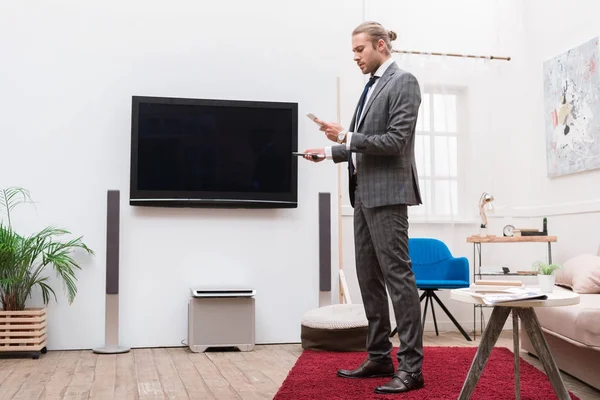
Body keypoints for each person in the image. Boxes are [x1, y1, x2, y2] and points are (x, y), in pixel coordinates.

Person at [302, 21, 424, 395]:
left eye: (360, 50)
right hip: (363, 195)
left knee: (398, 281)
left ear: (381, 45)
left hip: (388, 196)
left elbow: (395, 142)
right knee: (368, 279)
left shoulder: (403, 82)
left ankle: (412, 368)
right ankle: (379, 356)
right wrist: (328, 152)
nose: (355, 57)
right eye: (353, 51)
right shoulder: (371, 86)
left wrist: (345, 135)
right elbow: (362, 143)